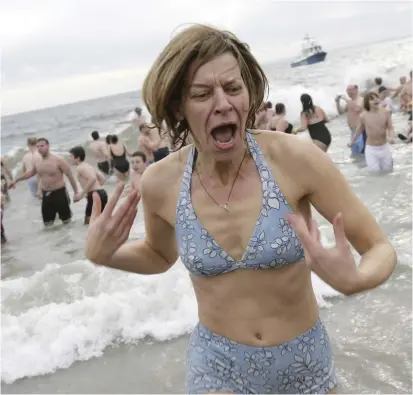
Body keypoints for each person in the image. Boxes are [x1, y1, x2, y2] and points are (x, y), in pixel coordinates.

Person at [84, 24, 397, 394]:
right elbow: (158, 254)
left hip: (304, 364)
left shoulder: (296, 159)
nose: (223, 103)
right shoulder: (160, 181)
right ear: (177, 107)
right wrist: (104, 255)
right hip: (216, 368)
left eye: (233, 88)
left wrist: (357, 280)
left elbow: (379, 247)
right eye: (202, 94)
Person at [9, 138, 79, 226]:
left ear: (48, 146)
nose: (39, 148)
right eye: (37, 146)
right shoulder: (38, 161)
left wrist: (76, 193)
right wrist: (16, 180)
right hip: (46, 195)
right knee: (47, 225)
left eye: (42, 146)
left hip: (60, 193)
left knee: (67, 222)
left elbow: (70, 176)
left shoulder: (58, 160)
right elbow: (30, 173)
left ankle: (67, 239)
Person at [348, 92, 396, 173]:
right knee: (375, 173)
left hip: (384, 147)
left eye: (376, 98)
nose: (375, 100)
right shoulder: (363, 116)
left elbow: (390, 128)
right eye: (372, 99)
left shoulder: (386, 112)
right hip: (371, 150)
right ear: (367, 103)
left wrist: (392, 137)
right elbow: (359, 130)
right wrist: (352, 142)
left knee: (388, 172)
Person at [69, 146, 108, 225]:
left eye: (71, 156)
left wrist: (81, 194)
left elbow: (92, 178)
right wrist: (93, 190)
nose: (69, 158)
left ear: (78, 158)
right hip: (102, 193)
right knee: (101, 221)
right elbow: (102, 178)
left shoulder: (80, 168)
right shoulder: (88, 165)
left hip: (95, 195)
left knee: (89, 223)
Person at [335, 85, 365, 156]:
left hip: (360, 132)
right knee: (355, 155)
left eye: (350, 90)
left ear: (356, 90)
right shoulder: (350, 102)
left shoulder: (361, 100)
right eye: (347, 90)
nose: (349, 92)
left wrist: (346, 99)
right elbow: (341, 112)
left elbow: (358, 108)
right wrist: (337, 102)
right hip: (353, 132)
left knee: (362, 154)